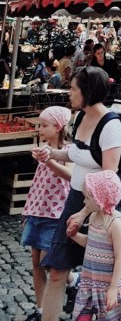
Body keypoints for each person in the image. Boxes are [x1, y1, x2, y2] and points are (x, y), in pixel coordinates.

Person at [36, 67, 121, 321]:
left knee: (98, 277)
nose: (69, 93)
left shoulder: (111, 124)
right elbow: (76, 155)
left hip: (97, 209)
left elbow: (109, 176)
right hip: (75, 200)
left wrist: (85, 211)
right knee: (56, 271)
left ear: (88, 91)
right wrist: (51, 154)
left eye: (73, 88)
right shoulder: (80, 118)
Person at [20, 106, 73, 321]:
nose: (39, 128)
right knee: (36, 262)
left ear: (58, 127)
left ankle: (74, 280)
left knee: (47, 261)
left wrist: (49, 161)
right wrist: (27, 211)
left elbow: (71, 176)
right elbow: (37, 184)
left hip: (56, 213)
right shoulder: (43, 148)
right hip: (37, 212)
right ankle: (41, 309)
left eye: (44, 125)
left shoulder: (68, 150)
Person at [70, 170, 121, 321]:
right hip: (90, 281)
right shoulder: (94, 216)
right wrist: (73, 235)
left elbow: (120, 257)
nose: (84, 202)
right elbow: (91, 243)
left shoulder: (115, 223)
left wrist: (113, 288)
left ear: (100, 199)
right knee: (81, 317)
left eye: (87, 198)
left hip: (107, 285)